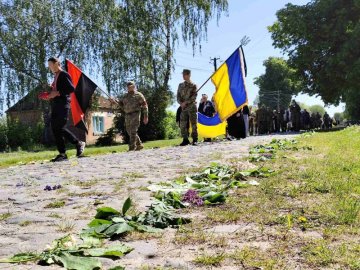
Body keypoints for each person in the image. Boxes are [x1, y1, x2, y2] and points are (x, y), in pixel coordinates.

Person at [45, 57, 85, 162]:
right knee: (55, 128)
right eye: (48, 66)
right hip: (56, 104)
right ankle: (62, 154)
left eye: (51, 65)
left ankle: (78, 143)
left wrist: (57, 93)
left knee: (59, 127)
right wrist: (49, 93)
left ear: (57, 63)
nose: (50, 67)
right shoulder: (56, 76)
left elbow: (71, 88)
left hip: (63, 104)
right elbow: (58, 89)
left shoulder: (64, 74)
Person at [118, 81, 148, 151]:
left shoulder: (138, 95)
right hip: (127, 115)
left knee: (133, 130)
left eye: (131, 86)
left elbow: (145, 106)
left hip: (136, 114)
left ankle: (132, 147)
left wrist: (145, 116)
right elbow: (120, 104)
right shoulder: (125, 96)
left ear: (134, 86)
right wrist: (113, 101)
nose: (129, 88)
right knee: (129, 131)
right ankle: (139, 145)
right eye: (128, 87)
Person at [177, 69, 198, 146]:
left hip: (191, 106)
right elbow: (178, 96)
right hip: (183, 108)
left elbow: (194, 97)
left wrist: (186, 102)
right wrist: (181, 103)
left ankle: (195, 139)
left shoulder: (193, 85)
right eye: (182, 74)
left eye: (185, 74)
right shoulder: (180, 85)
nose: (183, 76)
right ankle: (185, 139)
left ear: (189, 75)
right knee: (182, 124)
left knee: (193, 124)